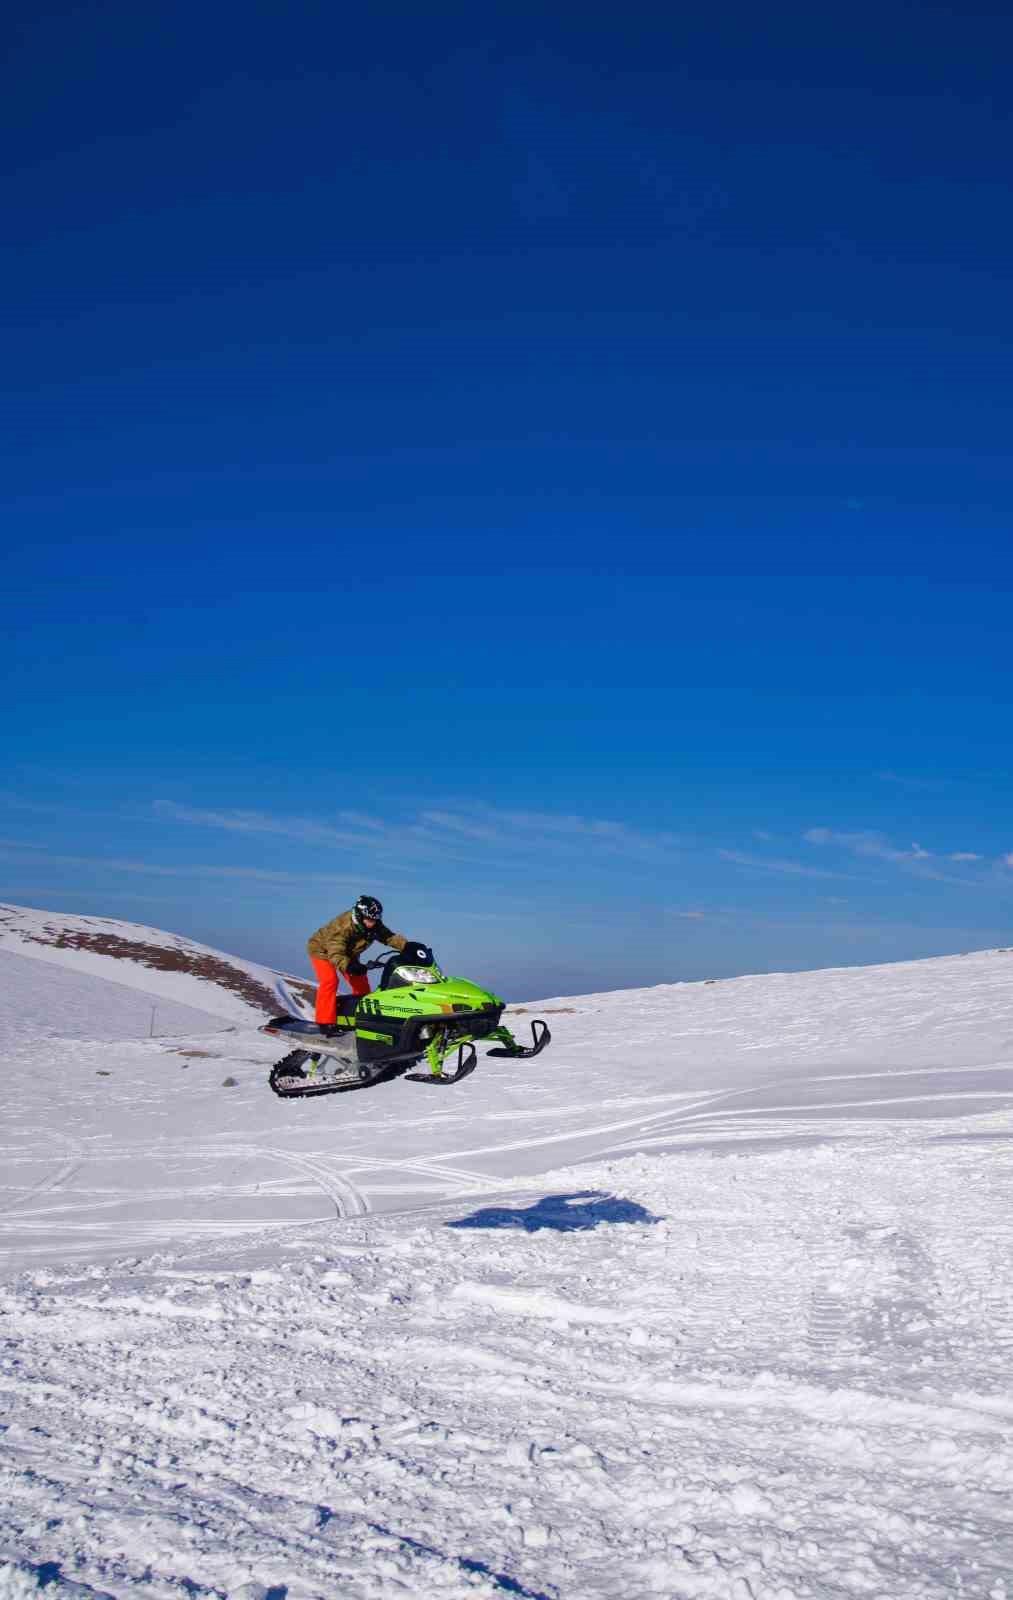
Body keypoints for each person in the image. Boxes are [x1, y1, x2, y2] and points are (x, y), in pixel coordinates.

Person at [306, 895, 409, 1029]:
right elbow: (335, 952)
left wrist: (409, 947)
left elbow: (389, 937)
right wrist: (348, 966)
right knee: (330, 981)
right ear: (360, 915)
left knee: (361, 985)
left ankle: (359, 1019)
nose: (372, 922)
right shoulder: (343, 926)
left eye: (375, 919)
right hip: (323, 951)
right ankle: (324, 1023)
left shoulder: (374, 925)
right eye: (369, 919)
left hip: (349, 953)